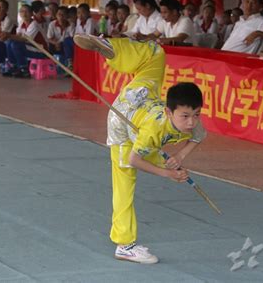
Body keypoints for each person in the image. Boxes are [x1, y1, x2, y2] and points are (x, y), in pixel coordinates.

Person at [72, 33, 206, 264]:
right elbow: (135, 159)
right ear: (169, 111)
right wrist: (168, 174)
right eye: (185, 116)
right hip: (123, 124)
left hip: (142, 95)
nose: (191, 122)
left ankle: (114, 49)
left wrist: (179, 155)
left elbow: (199, 135)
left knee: (156, 53)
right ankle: (125, 245)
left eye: (196, 115)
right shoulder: (154, 131)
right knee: (124, 183)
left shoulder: (189, 119)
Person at [5, 1, 48, 78]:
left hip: (42, 50)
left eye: (27, 11)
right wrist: (8, 36)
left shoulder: (34, 24)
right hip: (31, 47)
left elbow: (23, 39)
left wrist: (8, 35)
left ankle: (24, 69)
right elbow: (18, 36)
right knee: (10, 42)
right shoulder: (22, 23)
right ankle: (13, 66)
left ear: (32, 14)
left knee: (16, 44)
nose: (24, 14)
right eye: (22, 11)